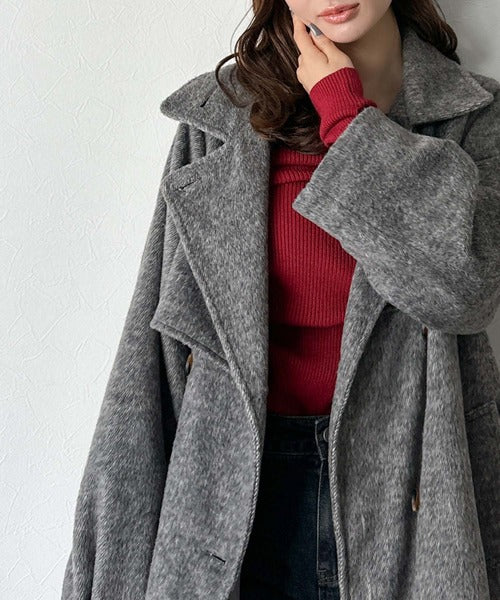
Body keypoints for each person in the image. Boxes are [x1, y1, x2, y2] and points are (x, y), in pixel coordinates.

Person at [61, 1, 500, 599]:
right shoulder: (218, 121)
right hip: (230, 506)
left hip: (415, 500)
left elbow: (465, 289)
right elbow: (152, 356)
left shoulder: (474, 115)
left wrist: (347, 117)